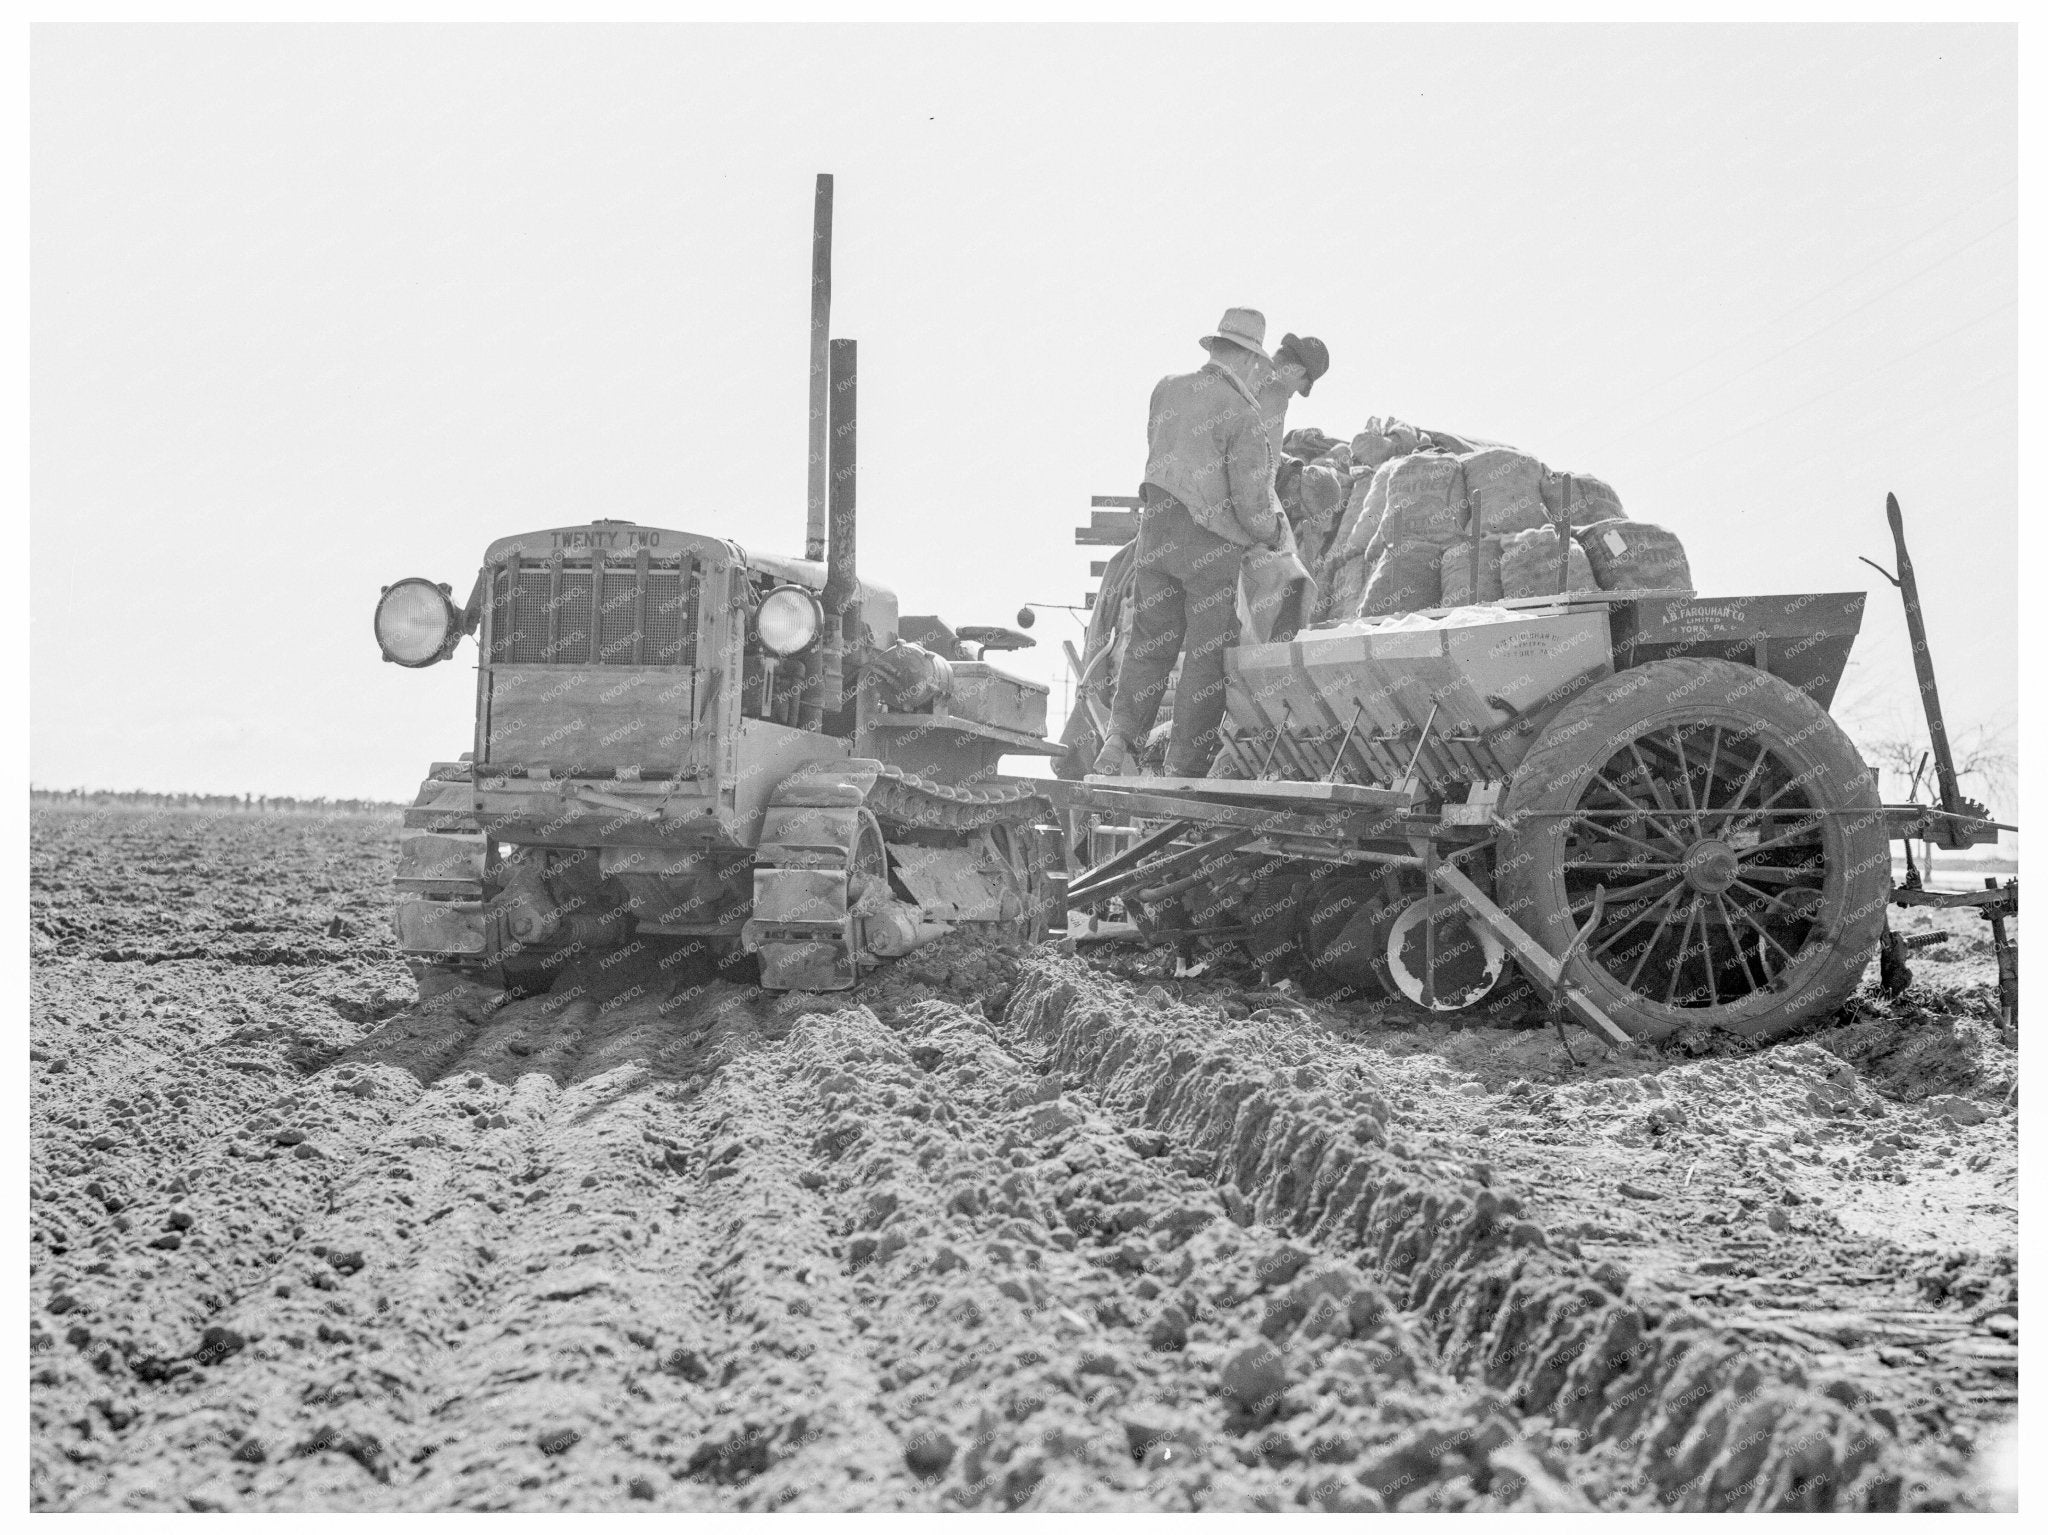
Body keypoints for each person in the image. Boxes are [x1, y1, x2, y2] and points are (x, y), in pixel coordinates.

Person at [1093, 308, 1280, 779]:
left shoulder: (1167, 388)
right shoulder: (1243, 416)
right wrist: (1274, 532)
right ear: (1247, 359)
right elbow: (1251, 505)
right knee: (1207, 652)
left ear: (1215, 349)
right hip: (1208, 546)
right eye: (1257, 365)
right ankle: (1181, 765)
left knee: (1149, 643)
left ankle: (1118, 737)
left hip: (1153, 534)